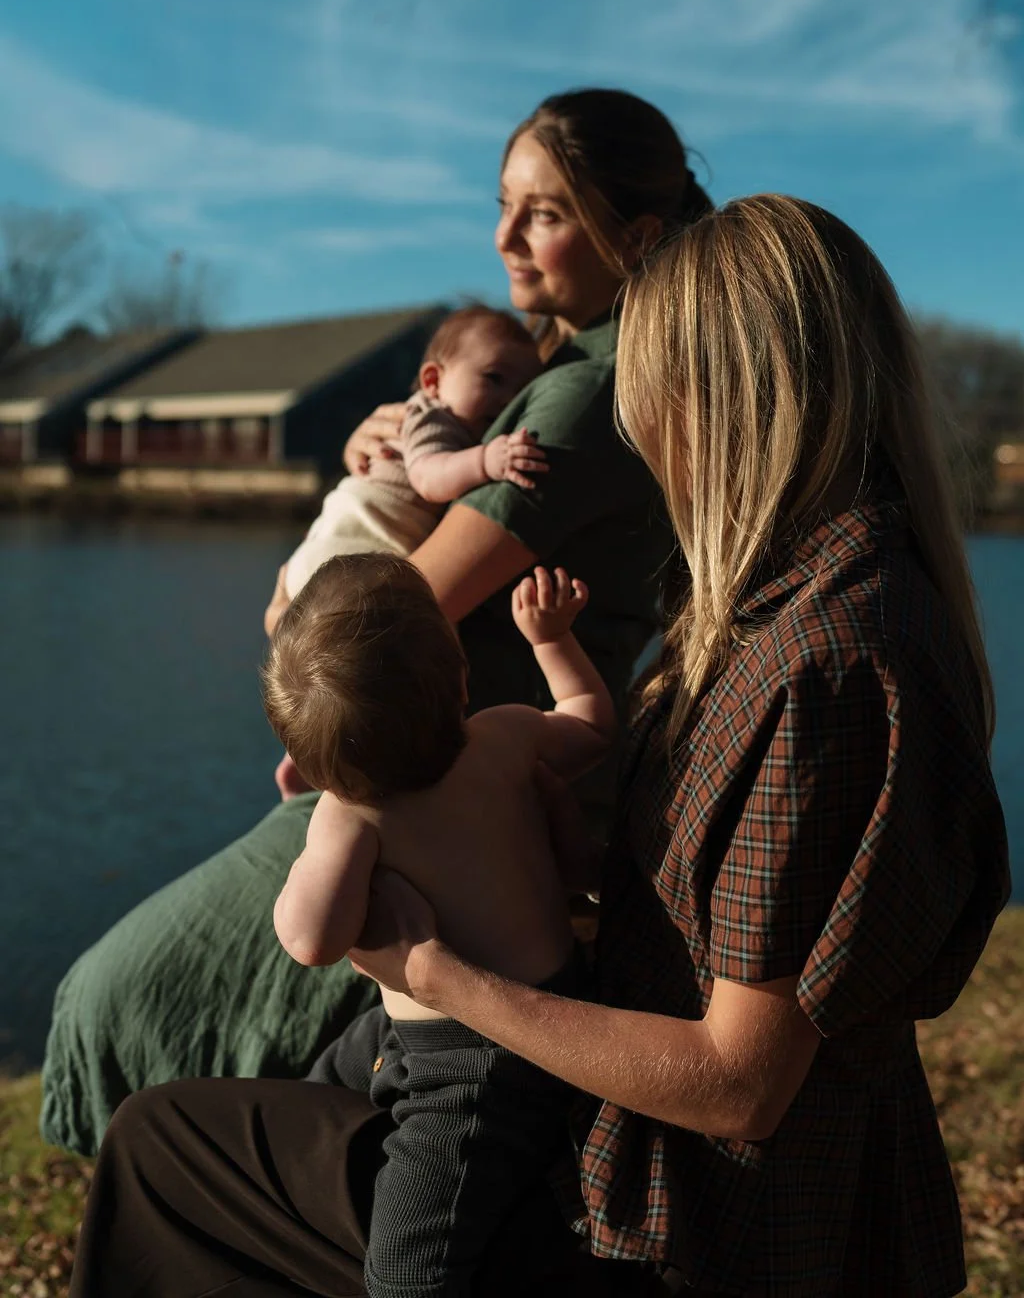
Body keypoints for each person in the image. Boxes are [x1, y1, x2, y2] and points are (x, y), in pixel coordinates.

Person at [68, 194, 1009, 1296]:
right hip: (654, 1161)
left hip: (689, 1229)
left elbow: (738, 1089)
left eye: (647, 390)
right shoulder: (804, 602)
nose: (634, 427)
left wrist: (436, 970)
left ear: (720, 396)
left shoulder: (825, 667)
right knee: (226, 1122)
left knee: (166, 1153)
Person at [43, 87, 712, 1158]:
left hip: (451, 789)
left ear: (635, 231)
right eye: (502, 204)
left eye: (542, 212)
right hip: (431, 767)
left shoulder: (589, 393)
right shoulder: (566, 373)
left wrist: (299, 582)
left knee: (116, 999)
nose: (502, 237)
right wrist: (397, 453)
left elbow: (394, 607)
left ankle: (199, 1206)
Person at [261, 552, 610, 1298]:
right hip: (532, 1004)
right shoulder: (507, 735)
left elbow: (310, 939)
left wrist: (315, 838)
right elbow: (590, 728)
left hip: (475, 1071)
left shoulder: (349, 816)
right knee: (335, 1075)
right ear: (458, 678)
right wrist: (552, 642)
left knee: (407, 1273)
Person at [270, 302, 545, 799]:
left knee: (331, 695)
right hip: (350, 551)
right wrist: (488, 459)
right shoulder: (433, 421)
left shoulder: (434, 418)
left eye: (519, 391)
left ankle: (300, 764)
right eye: (494, 378)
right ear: (434, 380)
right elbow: (428, 477)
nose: (505, 400)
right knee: (431, 636)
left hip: (321, 559)